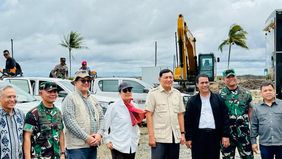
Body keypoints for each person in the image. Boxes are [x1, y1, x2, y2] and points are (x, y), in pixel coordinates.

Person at [185, 74, 230, 159]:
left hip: (214, 136)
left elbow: (225, 118)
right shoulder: (192, 101)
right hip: (198, 136)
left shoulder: (218, 99)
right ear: (197, 85)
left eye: (206, 82)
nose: (205, 85)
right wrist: (188, 138)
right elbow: (188, 121)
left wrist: (225, 135)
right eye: (202, 83)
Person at [62, 70, 105, 159]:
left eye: (88, 81)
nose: (86, 83)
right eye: (83, 80)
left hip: (92, 146)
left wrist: (99, 134)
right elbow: (70, 123)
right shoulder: (70, 99)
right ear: (75, 83)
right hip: (76, 148)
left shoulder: (93, 99)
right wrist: (87, 138)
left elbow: (101, 118)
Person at [145, 68, 185, 159]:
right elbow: (148, 114)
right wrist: (151, 136)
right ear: (159, 79)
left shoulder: (177, 94)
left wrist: (182, 133)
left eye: (171, 77)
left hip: (174, 137)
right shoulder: (153, 94)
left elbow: (180, 114)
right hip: (159, 138)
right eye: (166, 77)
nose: (169, 80)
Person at [23, 82, 65, 159]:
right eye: (49, 91)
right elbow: (27, 137)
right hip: (39, 156)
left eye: (55, 92)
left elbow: (61, 133)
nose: (53, 94)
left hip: (56, 155)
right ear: (41, 93)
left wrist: (62, 153)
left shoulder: (58, 112)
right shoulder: (33, 114)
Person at [104, 82, 145, 159]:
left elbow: (136, 125)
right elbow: (105, 125)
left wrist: (137, 138)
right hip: (118, 145)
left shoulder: (135, 106)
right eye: (125, 90)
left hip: (131, 145)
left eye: (129, 90)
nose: (128, 92)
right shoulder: (114, 107)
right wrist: (107, 141)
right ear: (120, 93)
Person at [219, 69, 254, 159]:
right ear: (224, 79)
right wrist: (222, 134)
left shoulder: (246, 94)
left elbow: (250, 111)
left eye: (233, 76)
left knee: (248, 157)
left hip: (244, 133)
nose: (231, 79)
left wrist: (253, 130)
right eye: (228, 77)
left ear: (236, 77)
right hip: (227, 135)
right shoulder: (219, 95)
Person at [250, 82, 282, 159]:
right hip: (265, 145)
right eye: (265, 90)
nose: (268, 92)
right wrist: (253, 142)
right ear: (261, 93)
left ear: (274, 91)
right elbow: (254, 126)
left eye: (270, 90)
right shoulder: (256, 108)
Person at [0, 85, 25, 159]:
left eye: (14, 97)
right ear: (0, 98)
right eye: (9, 97)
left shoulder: (20, 114)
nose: (12, 99)